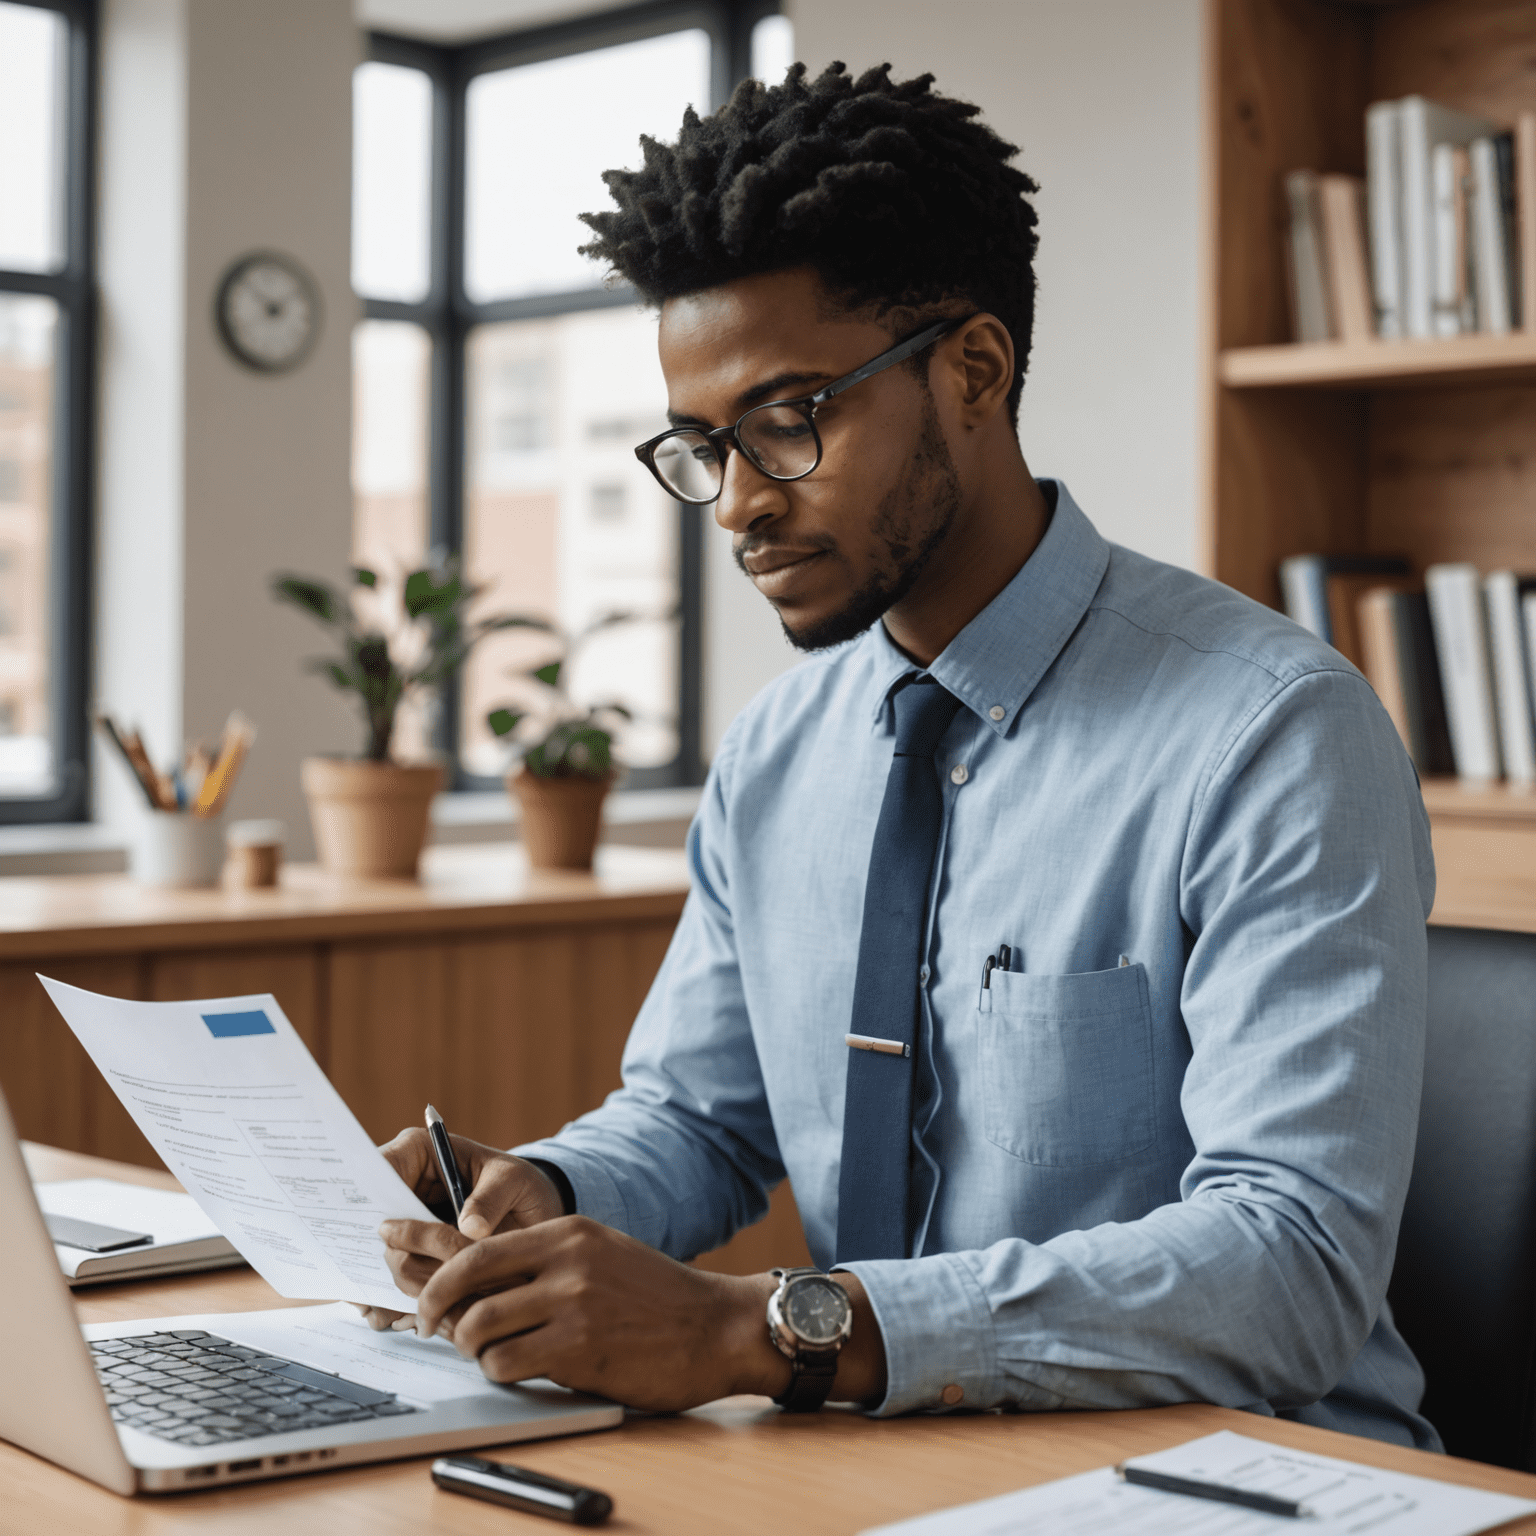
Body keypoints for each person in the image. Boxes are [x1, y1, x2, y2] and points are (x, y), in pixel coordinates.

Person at [365, 60, 1439, 1448]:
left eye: (788, 419)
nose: (740, 503)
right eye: (701, 445)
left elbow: (1293, 1264)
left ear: (974, 372)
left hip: (1243, 1476)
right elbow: (698, 1122)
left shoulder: (1272, 733)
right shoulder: (776, 754)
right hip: (882, 1462)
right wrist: (545, 1200)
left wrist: (755, 1329)